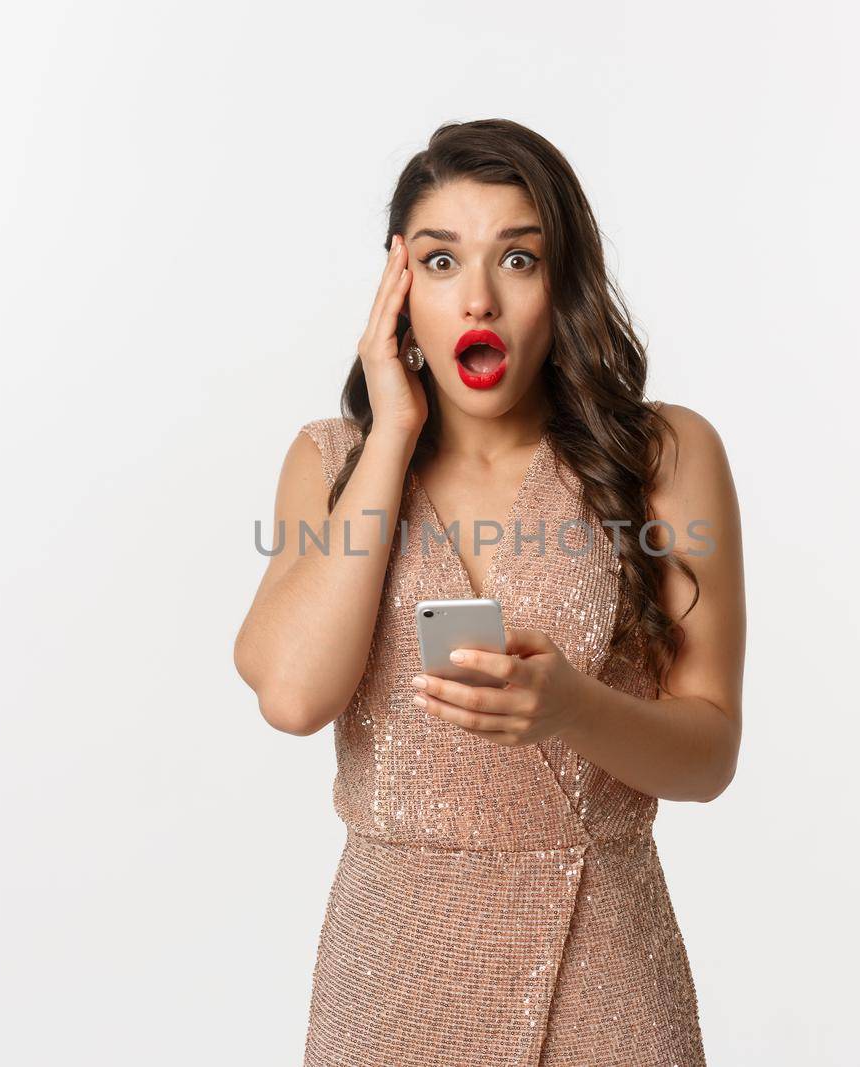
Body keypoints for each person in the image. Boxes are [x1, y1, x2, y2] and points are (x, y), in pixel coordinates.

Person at [233, 118, 745, 1067]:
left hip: (605, 971)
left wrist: (575, 709)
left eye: (517, 257)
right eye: (438, 262)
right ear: (398, 292)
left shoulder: (665, 457)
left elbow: (710, 752)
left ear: (565, 283)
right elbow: (293, 696)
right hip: (392, 983)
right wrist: (390, 433)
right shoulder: (331, 463)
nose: (478, 297)